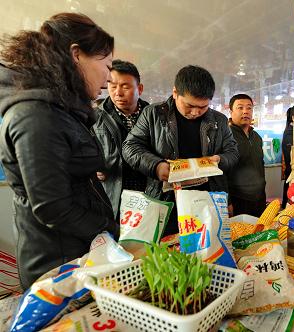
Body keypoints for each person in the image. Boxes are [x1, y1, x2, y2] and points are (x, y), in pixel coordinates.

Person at [0, 13, 118, 289]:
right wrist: (112, 230)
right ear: (76, 55)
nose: (109, 77)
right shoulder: (35, 115)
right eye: (106, 64)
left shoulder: (57, 107)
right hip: (58, 266)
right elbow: (52, 206)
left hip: (77, 256)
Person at [122, 65, 238, 235]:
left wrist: (220, 160)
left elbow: (233, 151)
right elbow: (130, 146)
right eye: (189, 105)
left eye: (203, 107)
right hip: (167, 201)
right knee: (170, 251)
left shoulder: (219, 120)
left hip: (208, 200)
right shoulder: (153, 114)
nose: (196, 112)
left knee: (208, 251)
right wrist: (156, 166)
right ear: (175, 92)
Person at [93, 59, 149, 219]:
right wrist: (93, 169)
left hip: (149, 196)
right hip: (114, 197)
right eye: (112, 85)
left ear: (140, 88)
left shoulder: (153, 116)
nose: (118, 92)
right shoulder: (95, 118)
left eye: (125, 86)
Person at [226, 94, 266, 217]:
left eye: (249, 108)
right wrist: (227, 202)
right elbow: (221, 173)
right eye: (240, 107)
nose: (245, 111)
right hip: (238, 200)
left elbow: (260, 166)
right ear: (231, 111)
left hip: (259, 198)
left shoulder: (257, 138)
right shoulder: (226, 138)